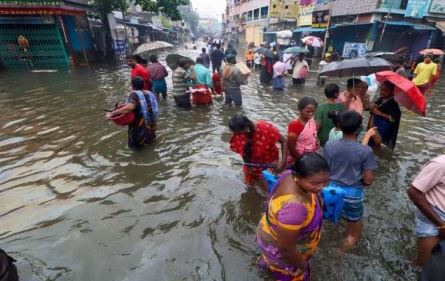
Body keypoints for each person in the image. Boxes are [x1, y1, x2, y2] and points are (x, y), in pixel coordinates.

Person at [257, 153, 330, 281]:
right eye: (315, 183)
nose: (322, 187)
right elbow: (285, 249)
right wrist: (303, 265)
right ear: (297, 177)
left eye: (326, 181)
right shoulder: (295, 209)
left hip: (270, 233)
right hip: (284, 252)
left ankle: (266, 266)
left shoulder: (288, 174)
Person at [322, 111, 378, 252]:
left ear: (339, 125)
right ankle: (336, 256)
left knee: (327, 221)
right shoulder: (365, 151)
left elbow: (322, 168)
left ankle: (322, 248)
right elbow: (368, 180)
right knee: (353, 234)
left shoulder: (329, 145)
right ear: (359, 128)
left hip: (329, 190)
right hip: (352, 194)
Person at [229, 114, 288, 188]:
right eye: (234, 132)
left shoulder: (265, 129)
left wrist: (283, 162)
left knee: (269, 187)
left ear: (246, 128)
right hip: (251, 164)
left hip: (269, 162)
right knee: (248, 185)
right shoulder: (238, 134)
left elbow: (284, 141)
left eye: (238, 133)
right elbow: (243, 151)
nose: (235, 135)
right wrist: (248, 166)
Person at [407, 155, 445, 267]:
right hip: (432, 216)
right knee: (425, 266)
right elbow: (413, 192)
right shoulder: (440, 164)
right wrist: (441, 226)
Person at [106, 77, 158, 149]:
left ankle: (138, 158)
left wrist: (113, 113)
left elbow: (130, 107)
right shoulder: (149, 93)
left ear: (132, 85)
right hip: (151, 122)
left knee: (137, 147)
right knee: (150, 142)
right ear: (143, 85)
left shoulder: (134, 94)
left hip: (140, 124)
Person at [367, 81, 401, 150]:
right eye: (381, 89)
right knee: (371, 142)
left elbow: (393, 119)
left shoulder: (393, 103)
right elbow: (374, 108)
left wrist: (379, 113)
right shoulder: (381, 99)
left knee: (377, 145)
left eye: (386, 91)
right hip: (376, 124)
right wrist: (372, 106)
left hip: (384, 128)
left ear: (391, 92)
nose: (382, 92)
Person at [288, 97, 319, 163]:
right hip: (299, 156)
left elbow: (314, 136)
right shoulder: (294, 125)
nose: (311, 114)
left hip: (311, 154)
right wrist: (300, 160)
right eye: (307, 111)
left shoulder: (313, 122)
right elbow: (291, 147)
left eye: (313, 111)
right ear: (300, 110)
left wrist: (317, 141)